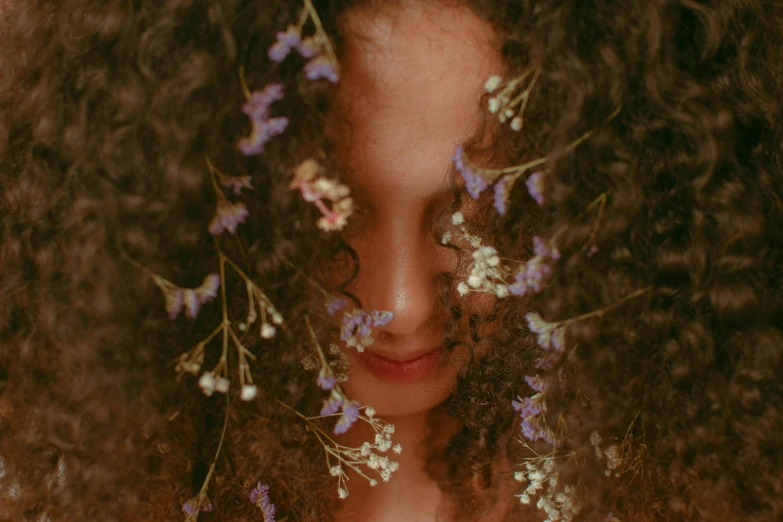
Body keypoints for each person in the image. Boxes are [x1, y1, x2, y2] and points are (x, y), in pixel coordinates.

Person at [1, 1, 781, 521]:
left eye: (472, 213)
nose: (403, 305)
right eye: (325, 218)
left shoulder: (697, 481)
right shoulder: (59, 481)